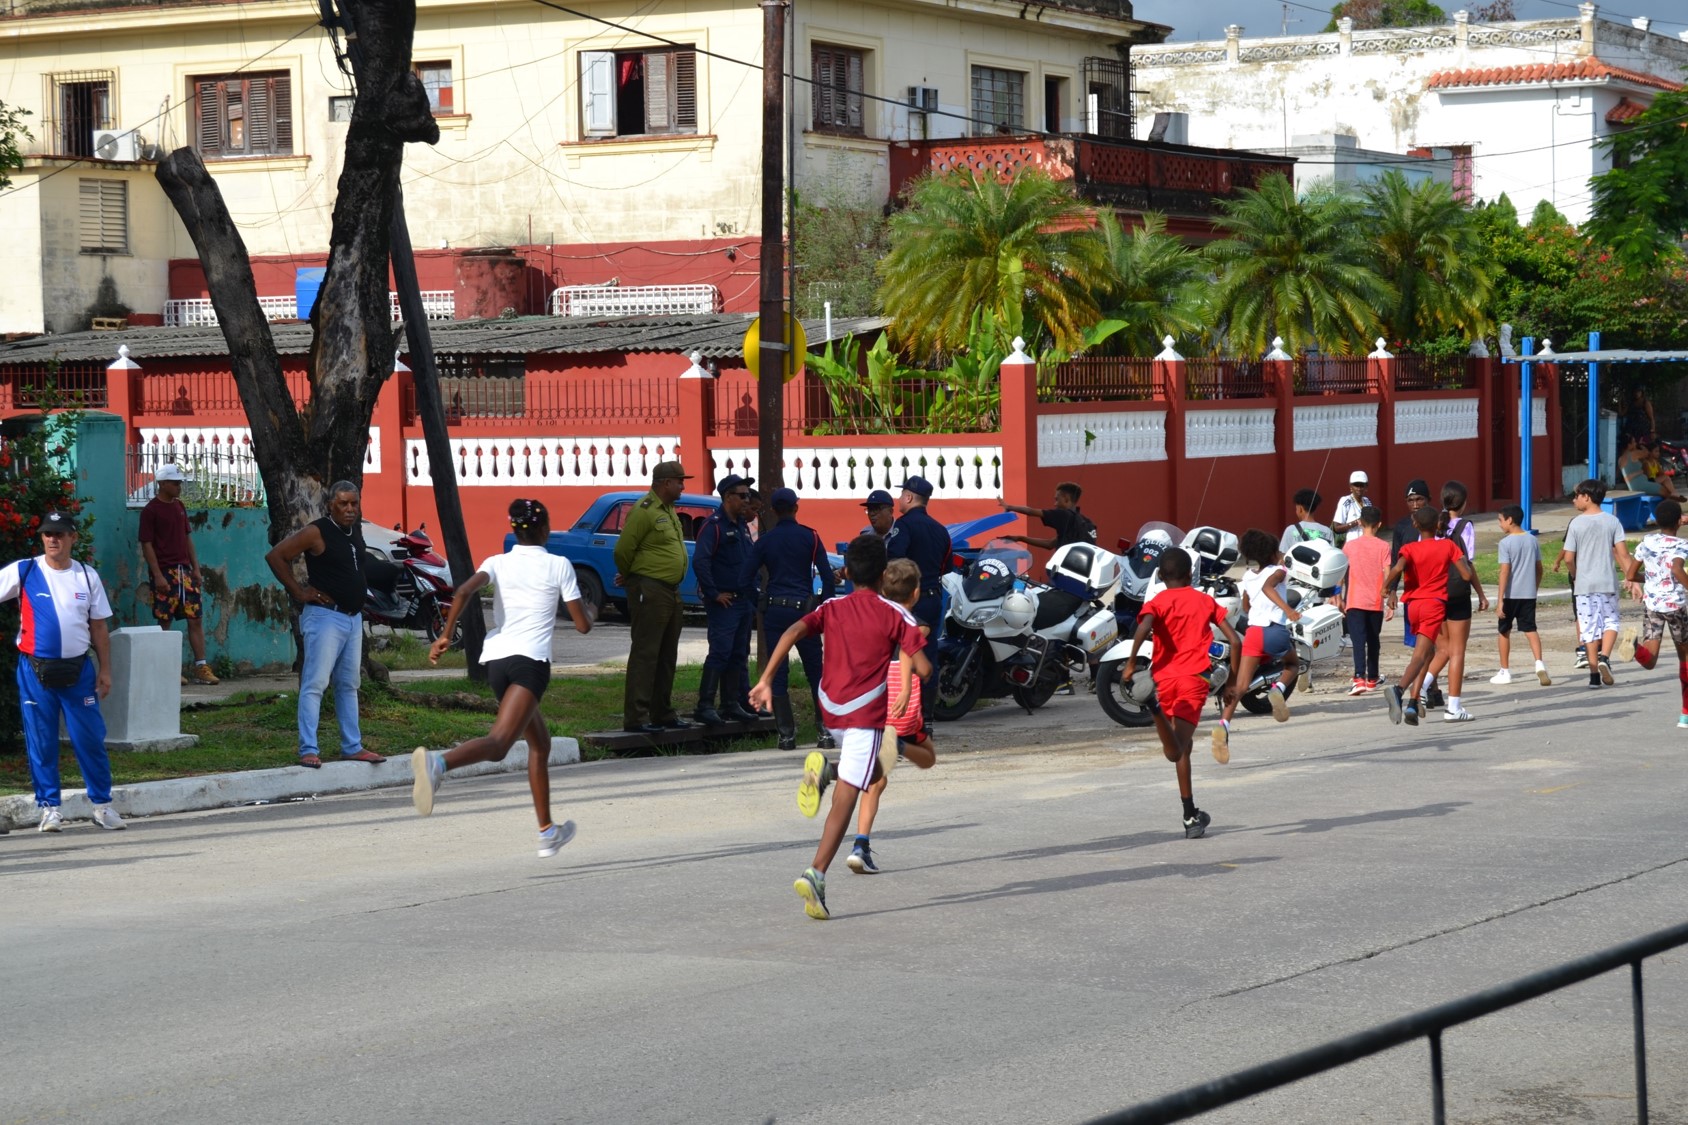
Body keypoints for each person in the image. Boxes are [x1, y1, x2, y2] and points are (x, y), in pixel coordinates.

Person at [751, 534, 929, 921]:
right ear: (884, 575)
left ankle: (826, 771)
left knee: (877, 768)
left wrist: (765, 678)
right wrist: (918, 666)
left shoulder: (831, 605)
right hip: (864, 714)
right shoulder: (895, 614)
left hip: (830, 707)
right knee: (850, 794)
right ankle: (816, 873)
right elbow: (924, 666)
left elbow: (791, 632)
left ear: (846, 572)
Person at [412, 499, 594, 858]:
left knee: (540, 744)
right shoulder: (560, 565)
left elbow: (463, 591)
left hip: (497, 663)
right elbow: (583, 625)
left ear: (515, 530)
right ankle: (439, 764)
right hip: (530, 664)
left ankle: (547, 832)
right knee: (498, 745)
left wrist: (446, 634)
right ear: (545, 529)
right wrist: (591, 608)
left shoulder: (496, 562)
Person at [0, 510, 124, 832]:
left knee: (90, 739)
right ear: (42, 538)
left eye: (59, 533)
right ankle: (50, 809)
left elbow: (98, 626)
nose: (53, 539)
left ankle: (102, 806)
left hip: (78, 672)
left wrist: (106, 670)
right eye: (47, 534)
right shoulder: (25, 571)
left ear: (73, 538)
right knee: (41, 742)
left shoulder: (86, 576)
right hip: (34, 672)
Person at [1120, 547, 1242, 839]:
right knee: (1175, 750)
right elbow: (1235, 641)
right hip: (1193, 681)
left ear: (1160, 576)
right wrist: (1232, 683)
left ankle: (1190, 815)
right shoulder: (1204, 600)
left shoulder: (1157, 601)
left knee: (1182, 747)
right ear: (1191, 575)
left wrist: (1131, 663)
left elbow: (1143, 629)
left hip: (1163, 680)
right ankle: (1151, 706)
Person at [264, 481, 385, 768]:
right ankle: (308, 749)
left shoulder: (354, 530)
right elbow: (276, 556)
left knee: (348, 684)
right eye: (343, 503)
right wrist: (298, 591)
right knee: (315, 683)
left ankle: (352, 746)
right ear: (330, 504)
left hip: (352, 618)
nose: (349, 509)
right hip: (325, 618)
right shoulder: (316, 531)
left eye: (354, 503)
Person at [845, 558, 937, 874]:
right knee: (927, 757)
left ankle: (860, 844)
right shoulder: (913, 624)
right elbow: (911, 654)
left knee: (876, 781)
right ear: (915, 593)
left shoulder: (868, 620)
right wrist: (912, 685)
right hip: (902, 710)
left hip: (874, 709)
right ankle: (898, 748)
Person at [746, 487, 836, 750]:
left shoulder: (764, 541)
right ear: (796, 507)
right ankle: (825, 733)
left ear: (773, 510)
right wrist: (823, 607)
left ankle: (786, 736)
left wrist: (759, 602)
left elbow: (745, 578)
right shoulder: (811, 537)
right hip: (805, 612)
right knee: (815, 671)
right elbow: (827, 577)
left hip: (774, 611)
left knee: (778, 672)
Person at [614, 461, 694, 733]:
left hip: (670, 590)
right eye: (679, 481)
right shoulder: (644, 511)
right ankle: (637, 718)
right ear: (664, 483)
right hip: (650, 589)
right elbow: (623, 550)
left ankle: (662, 712)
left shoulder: (668, 510)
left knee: (667, 654)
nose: (683, 486)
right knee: (646, 654)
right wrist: (633, 576)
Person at [1383, 506, 1478, 727]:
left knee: (1426, 654)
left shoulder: (1409, 548)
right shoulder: (1447, 545)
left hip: (1413, 606)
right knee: (1419, 655)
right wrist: (1458, 564)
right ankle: (1398, 691)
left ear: (1415, 524)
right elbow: (1465, 574)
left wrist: (1385, 588)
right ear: (1438, 524)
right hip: (1433, 605)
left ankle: (1413, 704)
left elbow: (1397, 569)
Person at [1212, 529, 1301, 757]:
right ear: (1271, 554)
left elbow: (1246, 606)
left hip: (1253, 633)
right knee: (1293, 665)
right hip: (1274, 631)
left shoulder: (1248, 576)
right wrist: (1288, 610)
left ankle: (1223, 726)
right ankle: (1277, 689)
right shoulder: (1279, 571)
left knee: (1239, 687)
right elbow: (1268, 587)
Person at [140, 463, 219, 686]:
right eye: (175, 483)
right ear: (162, 483)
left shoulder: (179, 507)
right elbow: (147, 544)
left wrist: (196, 569)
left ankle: (200, 666)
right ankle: (167, 669)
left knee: (196, 618)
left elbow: (187, 538)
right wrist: (157, 575)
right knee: (165, 620)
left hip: (185, 572)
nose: (179, 487)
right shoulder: (150, 511)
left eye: (179, 483)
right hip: (165, 572)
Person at [691, 473, 758, 727]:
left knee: (738, 653)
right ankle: (704, 706)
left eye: (748, 495)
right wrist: (713, 593)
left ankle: (731, 704)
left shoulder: (741, 525)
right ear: (728, 497)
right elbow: (701, 561)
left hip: (742, 601)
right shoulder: (714, 526)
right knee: (720, 652)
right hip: (724, 603)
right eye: (742, 496)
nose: (746, 500)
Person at [886, 476, 952, 730]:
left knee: (903, 656)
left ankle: (905, 717)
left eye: (901, 494)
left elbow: (894, 559)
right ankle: (928, 718)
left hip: (909, 601)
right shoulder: (940, 529)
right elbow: (946, 565)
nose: (898, 499)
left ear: (910, 497)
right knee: (929, 654)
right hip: (934, 598)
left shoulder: (904, 527)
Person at [1420, 481, 1489, 722]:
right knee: (1457, 651)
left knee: (1444, 648)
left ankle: (1420, 686)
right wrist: (1480, 593)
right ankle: (1454, 706)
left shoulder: (1431, 526)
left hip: (1434, 593)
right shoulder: (1465, 527)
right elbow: (1467, 563)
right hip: (1457, 592)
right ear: (1464, 503)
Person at [1557, 478, 1635, 689]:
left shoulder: (1576, 523)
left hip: (1584, 585)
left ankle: (1593, 676)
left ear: (1587, 497)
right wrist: (1632, 577)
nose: (1574, 501)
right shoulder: (1612, 521)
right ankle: (1605, 657)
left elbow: (1568, 558)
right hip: (1607, 582)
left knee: (1588, 628)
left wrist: (1574, 574)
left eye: (1577, 496)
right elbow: (1623, 553)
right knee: (1610, 622)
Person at [1625, 499, 1688, 726]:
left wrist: (1652, 578)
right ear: (1679, 521)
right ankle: (1685, 714)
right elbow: (1677, 569)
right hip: (1675, 607)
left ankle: (1634, 646)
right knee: (1685, 660)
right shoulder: (1681, 544)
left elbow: (1631, 575)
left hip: (1652, 606)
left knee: (1650, 660)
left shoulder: (1648, 541)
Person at [1388, 479, 1439, 703]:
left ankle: (1429, 689)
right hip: (1414, 596)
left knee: (1433, 645)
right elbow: (1396, 560)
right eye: (1411, 500)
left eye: (1419, 499)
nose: (1415, 504)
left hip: (1437, 595)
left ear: (1429, 500)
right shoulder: (1402, 527)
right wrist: (1391, 590)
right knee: (1421, 647)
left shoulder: (1438, 524)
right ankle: (1429, 690)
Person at [1490, 505, 1551, 687]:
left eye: (1500, 520)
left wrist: (1500, 600)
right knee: (1530, 629)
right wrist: (1534, 588)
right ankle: (1539, 662)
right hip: (1528, 594)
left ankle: (1505, 671)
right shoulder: (1532, 540)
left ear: (1509, 520)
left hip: (1510, 595)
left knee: (1504, 631)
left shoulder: (1505, 543)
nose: (1500, 524)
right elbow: (1539, 569)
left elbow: (1504, 572)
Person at [1340, 505, 1389, 694]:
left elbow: (1341, 571)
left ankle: (1359, 677)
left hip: (1354, 601)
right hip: (1375, 602)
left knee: (1358, 640)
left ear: (1360, 523)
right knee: (1373, 639)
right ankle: (1373, 678)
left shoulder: (1350, 546)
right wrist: (1389, 594)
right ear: (1379, 524)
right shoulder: (1383, 546)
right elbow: (1387, 572)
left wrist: (1337, 594)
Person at [997, 482, 1098, 551]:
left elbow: (1030, 511)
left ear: (1066, 499)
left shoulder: (1064, 515)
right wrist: (1020, 538)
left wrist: (1009, 507)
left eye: (1057, 499)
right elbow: (1049, 544)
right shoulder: (1085, 522)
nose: (1055, 504)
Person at [1618, 433, 1678, 498]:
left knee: (1665, 485)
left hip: (1636, 485)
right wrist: (1641, 445)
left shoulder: (1620, 459)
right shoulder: (1633, 454)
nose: (1635, 444)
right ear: (1629, 445)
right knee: (1664, 491)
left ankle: (1673, 497)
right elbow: (1646, 453)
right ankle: (1672, 504)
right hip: (1642, 485)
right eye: (1634, 442)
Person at [1278, 488, 1334, 556]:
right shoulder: (1327, 531)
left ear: (1300, 509)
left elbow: (1283, 555)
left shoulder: (1290, 530)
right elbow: (1331, 555)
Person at [1331, 472, 1373, 545]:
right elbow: (1336, 528)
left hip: (1367, 544)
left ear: (1366, 487)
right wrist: (1357, 522)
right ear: (1350, 487)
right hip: (1351, 545)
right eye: (1356, 485)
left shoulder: (1367, 501)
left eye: (1362, 485)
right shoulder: (1345, 501)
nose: (1359, 488)